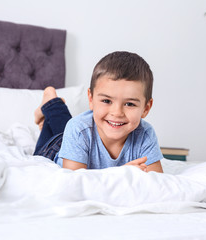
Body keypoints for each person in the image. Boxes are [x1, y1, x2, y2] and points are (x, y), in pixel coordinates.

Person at [34, 51, 163, 173]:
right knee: (63, 131)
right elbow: (75, 182)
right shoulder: (78, 129)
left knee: (66, 126)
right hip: (57, 146)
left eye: (129, 104)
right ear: (91, 99)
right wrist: (121, 174)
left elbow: (156, 181)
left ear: (146, 108)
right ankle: (51, 103)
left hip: (79, 135)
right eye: (107, 101)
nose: (117, 113)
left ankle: (51, 106)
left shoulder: (145, 134)